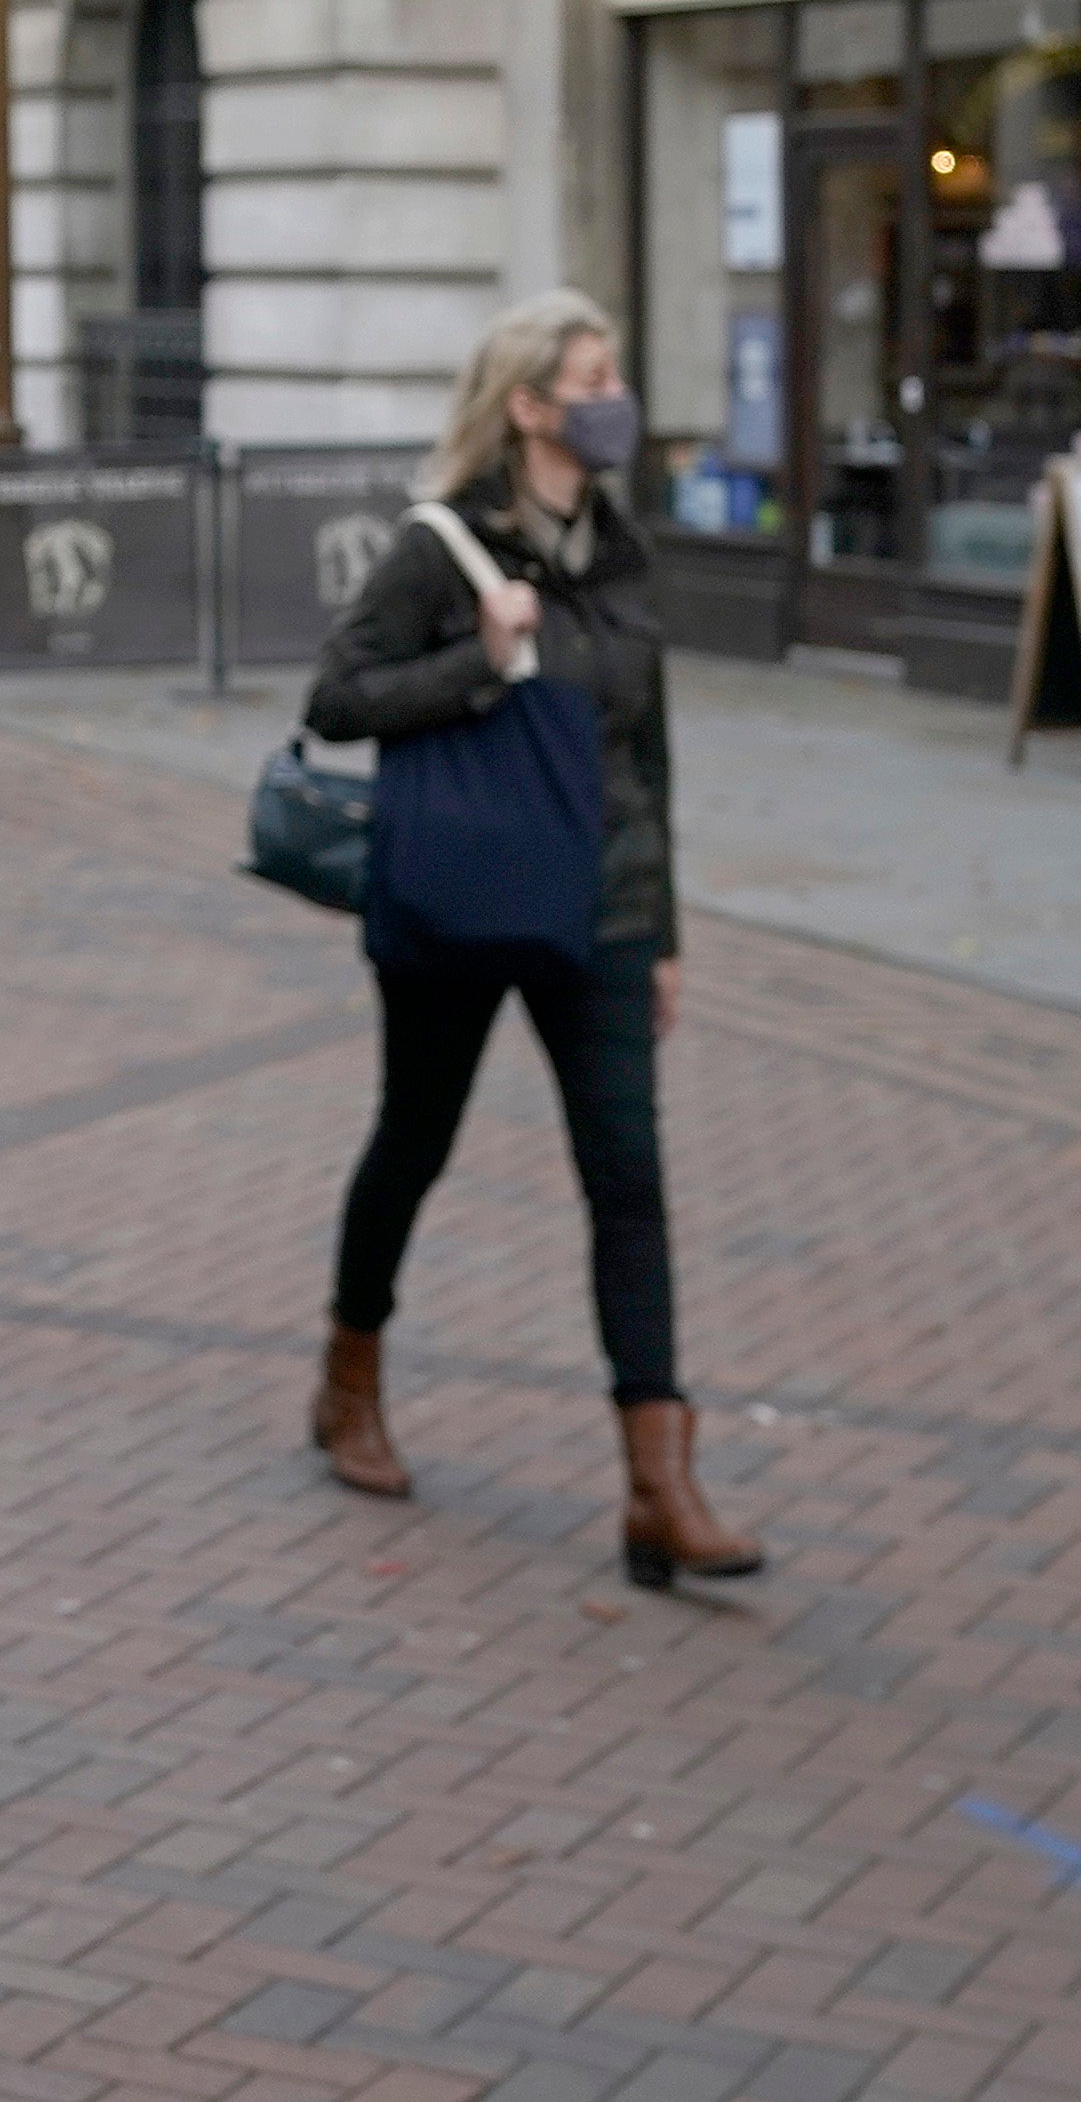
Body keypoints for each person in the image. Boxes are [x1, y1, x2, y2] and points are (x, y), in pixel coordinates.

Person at [291, 287, 756, 1586]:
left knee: (627, 1181)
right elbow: (334, 697)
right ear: (529, 407)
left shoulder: (616, 545)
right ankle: (347, 1379)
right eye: (592, 379)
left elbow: (645, 752)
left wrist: (659, 927)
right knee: (413, 1142)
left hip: (597, 905)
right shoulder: (438, 551)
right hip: (459, 904)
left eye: (614, 373)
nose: (615, 402)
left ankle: (657, 1483)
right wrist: (478, 664)